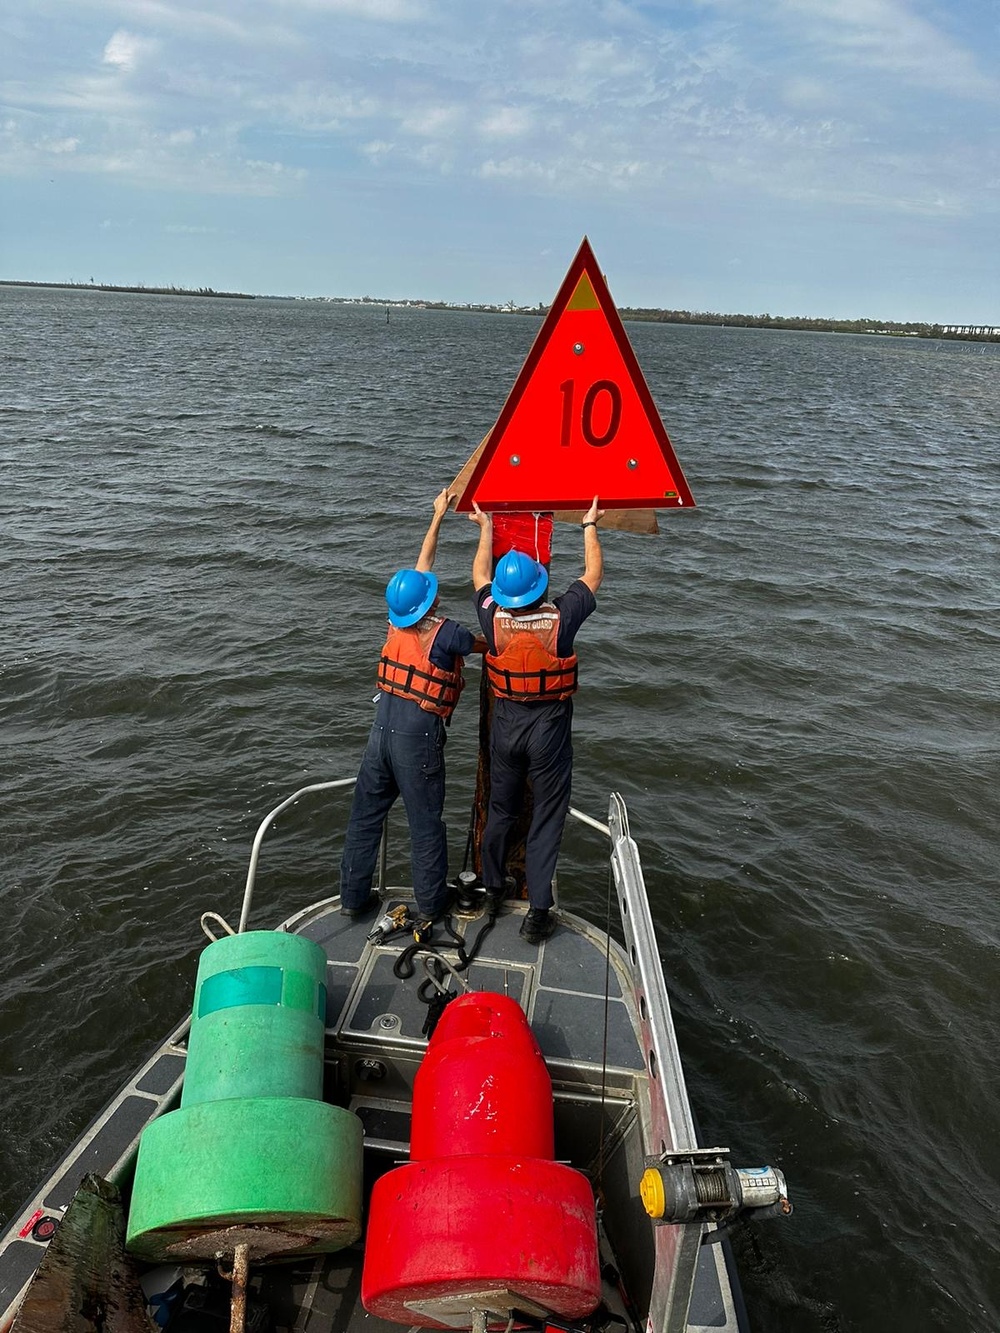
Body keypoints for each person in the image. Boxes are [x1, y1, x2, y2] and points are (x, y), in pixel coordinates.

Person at [340, 487, 478, 933]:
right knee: (425, 827)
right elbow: (490, 641)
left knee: (365, 819)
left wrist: (436, 516)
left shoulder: (395, 621)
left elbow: (421, 570)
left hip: (380, 731)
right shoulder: (449, 635)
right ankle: (432, 906)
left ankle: (352, 899)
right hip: (417, 740)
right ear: (431, 603)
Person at [469, 497, 604, 943]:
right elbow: (592, 577)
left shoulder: (493, 620)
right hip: (547, 732)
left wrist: (485, 527)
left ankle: (491, 888)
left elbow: (479, 577)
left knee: (501, 811)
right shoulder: (560, 619)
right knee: (547, 815)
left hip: (505, 729)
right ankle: (538, 911)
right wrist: (588, 525)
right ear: (540, 588)